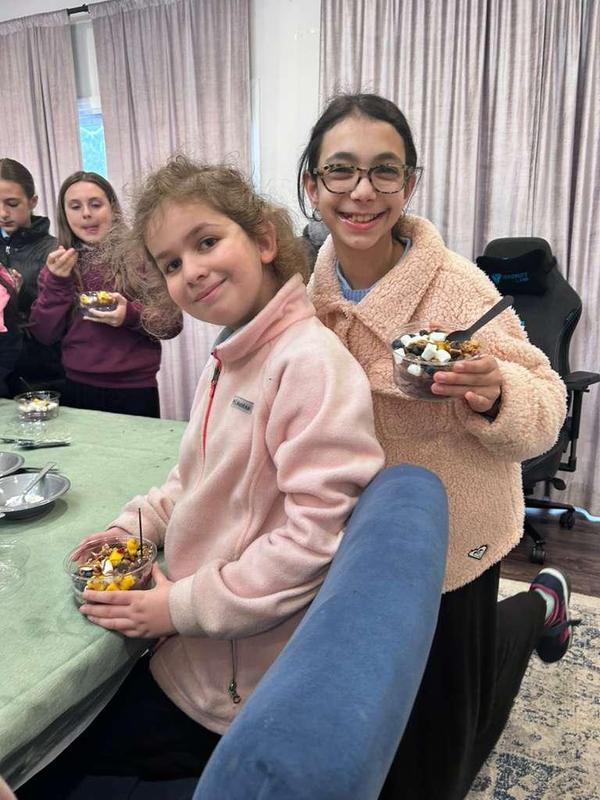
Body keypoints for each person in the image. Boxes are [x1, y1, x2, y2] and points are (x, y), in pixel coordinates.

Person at [18, 157, 384, 797]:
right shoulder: (230, 359)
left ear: (265, 241)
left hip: (231, 687)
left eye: (207, 242)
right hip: (192, 645)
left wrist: (175, 607)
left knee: (42, 751)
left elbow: (312, 545)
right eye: (171, 263)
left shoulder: (309, 363)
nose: (193, 270)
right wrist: (127, 528)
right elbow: (188, 483)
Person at [297, 93, 578, 800]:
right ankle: (538, 605)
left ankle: (540, 602)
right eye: (341, 170)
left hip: (455, 538)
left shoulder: (455, 287)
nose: (362, 192)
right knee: (375, 715)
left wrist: (495, 392)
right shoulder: (307, 291)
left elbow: (547, 404)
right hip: (353, 542)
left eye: (384, 172)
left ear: (410, 183)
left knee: (450, 745)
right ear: (311, 183)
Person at [29, 171, 181, 417]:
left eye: (95, 204)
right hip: (77, 387)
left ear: (113, 208)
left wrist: (129, 316)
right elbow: (44, 334)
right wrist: (57, 282)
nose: (86, 213)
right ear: (65, 215)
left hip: (136, 390)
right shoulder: (58, 265)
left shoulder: (141, 258)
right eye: (75, 207)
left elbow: (172, 324)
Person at [0, 158, 63, 394]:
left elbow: (54, 325)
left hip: (42, 377)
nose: (3, 213)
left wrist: (16, 296)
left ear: (32, 201)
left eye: (12, 203)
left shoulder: (54, 251)